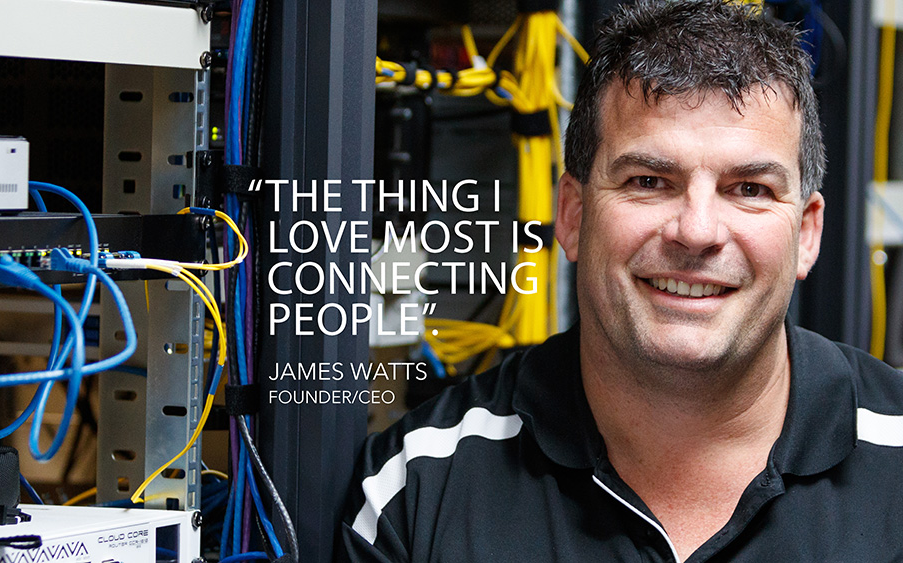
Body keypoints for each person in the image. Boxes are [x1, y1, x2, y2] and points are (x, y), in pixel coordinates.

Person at [340, 1, 903, 561]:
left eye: (749, 189)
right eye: (650, 180)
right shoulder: (413, 492)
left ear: (806, 233)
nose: (697, 231)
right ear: (573, 215)